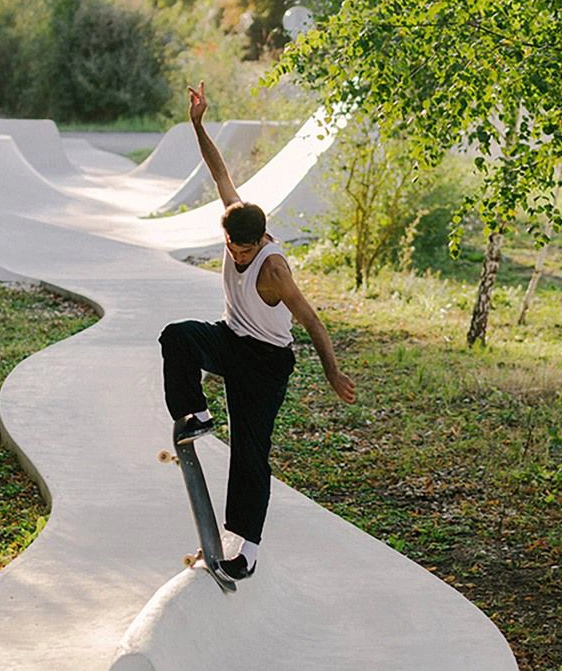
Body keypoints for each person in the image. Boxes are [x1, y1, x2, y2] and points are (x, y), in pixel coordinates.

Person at [159, 81, 356, 582]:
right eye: (232, 247)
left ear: (260, 241)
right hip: (231, 340)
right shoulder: (234, 218)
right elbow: (219, 170)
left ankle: (245, 548)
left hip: (267, 363)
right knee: (177, 336)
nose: (237, 256)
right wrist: (198, 123)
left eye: (244, 250)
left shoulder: (274, 269)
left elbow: (311, 320)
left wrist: (332, 372)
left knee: (250, 452)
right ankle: (195, 411)